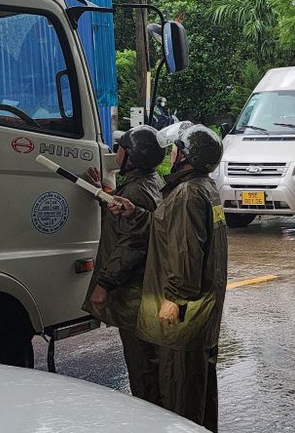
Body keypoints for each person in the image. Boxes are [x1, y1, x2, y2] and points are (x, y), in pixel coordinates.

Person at [108, 121, 227, 432]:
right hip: (198, 312)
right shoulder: (201, 188)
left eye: (177, 148)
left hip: (184, 315)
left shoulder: (188, 193)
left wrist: (175, 298)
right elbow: (167, 231)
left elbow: (186, 251)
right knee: (197, 390)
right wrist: (135, 213)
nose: (172, 153)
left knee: (180, 396)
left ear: (187, 157)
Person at [82, 124, 165, 404]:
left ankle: (151, 415)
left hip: (134, 292)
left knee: (142, 364)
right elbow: (127, 213)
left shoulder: (137, 191)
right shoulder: (151, 182)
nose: (116, 152)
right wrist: (102, 192)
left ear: (132, 157)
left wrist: (104, 283)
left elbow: (131, 243)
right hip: (147, 288)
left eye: (121, 148)